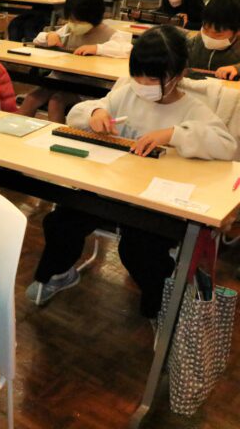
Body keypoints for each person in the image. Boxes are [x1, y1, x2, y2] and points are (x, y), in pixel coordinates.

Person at [26, 26, 236, 323]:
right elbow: (79, 115)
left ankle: (157, 308)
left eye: (153, 77)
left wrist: (173, 134)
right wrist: (96, 114)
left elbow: (226, 146)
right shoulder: (127, 94)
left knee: (139, 249)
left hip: (157, 203)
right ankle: (59, 274)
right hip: (112, 190)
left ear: (179, 74)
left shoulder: (192, 108)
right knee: (63, 220)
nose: (143, 84)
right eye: (138, 75)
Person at [18, 0, 133, 122]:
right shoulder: (69, 29)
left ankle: (57, 138)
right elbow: (38, 40)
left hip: (89, 86)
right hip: (60, 79)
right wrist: (50, 35)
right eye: (71, 19)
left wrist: (97, 48)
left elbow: (127, 49)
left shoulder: (110, 34)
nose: (74, 24)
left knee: (56, 102)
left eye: (79, 20)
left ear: (94, 17)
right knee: (31, 99)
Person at [187, 0, 240, 80]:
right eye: (205, 29)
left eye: (218, 34)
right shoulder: (198, 40)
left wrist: (237, 69)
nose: (209, 36)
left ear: (238, 31)